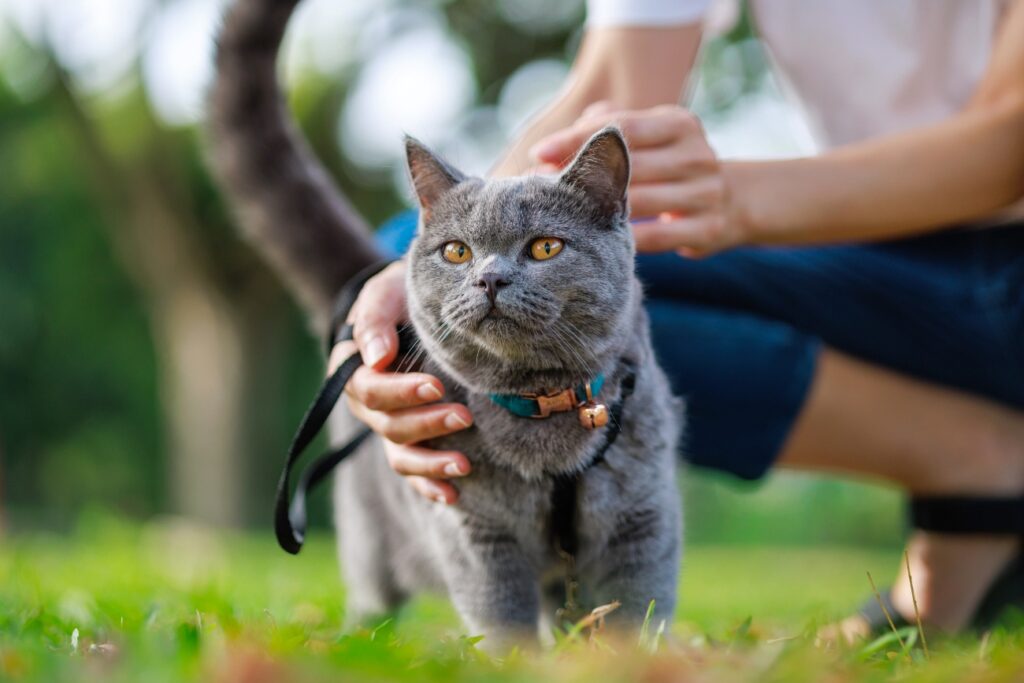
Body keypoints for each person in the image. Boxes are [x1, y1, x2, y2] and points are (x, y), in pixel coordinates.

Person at [330, 0, 1024, 638]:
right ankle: (975, 461)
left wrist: (736, 196)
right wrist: (399, 301)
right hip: (881, 253)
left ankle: (986, 467)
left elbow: (1012, 137)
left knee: (591, 278)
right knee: (404, 259)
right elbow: (617, 83)